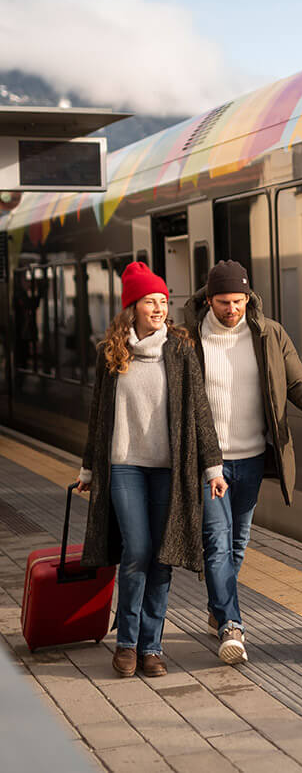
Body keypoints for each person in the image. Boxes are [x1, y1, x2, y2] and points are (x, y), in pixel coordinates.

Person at [184, 260, 302, 664]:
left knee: (237, 544)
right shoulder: (189, 337)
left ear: (248, 298)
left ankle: (217, 606)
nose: (231, 309)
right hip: (209, 462)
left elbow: (296, 381)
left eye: (238, 301)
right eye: (222, 302)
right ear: (208, 299)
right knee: (217, 543)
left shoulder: (268, 334)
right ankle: (230, 626)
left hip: (251, 457)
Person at [77, 262, 224, 678]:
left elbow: (200, 410)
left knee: (163, 557)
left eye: (162, 301)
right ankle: (126, 642)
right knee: (137, 550)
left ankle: (151, 647)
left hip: (168, 470)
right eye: (150, 301)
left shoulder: (179, 349)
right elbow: (98, 415)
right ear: (132, 308)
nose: (159, 308)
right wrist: (89, 470)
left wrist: (213, 468)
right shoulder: (113, 354)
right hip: (124, 466)